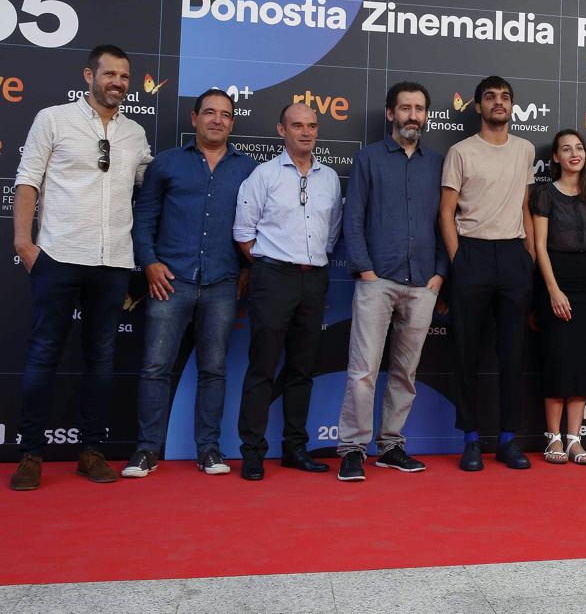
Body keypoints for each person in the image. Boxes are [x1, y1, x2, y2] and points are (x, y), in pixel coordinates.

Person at [9, 44, 153, 491]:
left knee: (102, 360)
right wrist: (24, 244)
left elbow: (149, 193)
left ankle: (91, 450)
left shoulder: (135, 134)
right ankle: (30, 453)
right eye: (109, 74)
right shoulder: (53, 119)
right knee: (43, 354)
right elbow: (27, 181)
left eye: (124, 76)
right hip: (58, 256)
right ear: (89, 75)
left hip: (113, 263)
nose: (118, 83)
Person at [120, 89, 256, 479]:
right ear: (194, 117)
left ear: (232, 121)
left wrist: (248, 272)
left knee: (214, 370)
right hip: (170, 281)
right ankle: (146, 450)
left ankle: (209, 450)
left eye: (225, 114)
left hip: (223, 283)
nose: (217, 119)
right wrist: (149, 263)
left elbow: (258, 228)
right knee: (155, 368)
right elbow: (143, 220)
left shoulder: (248, 169)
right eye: (209, 112)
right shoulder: (165, 164)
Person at [336, 82, 446, 482]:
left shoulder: (437, 163)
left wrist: (438, 274)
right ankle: (351, 449)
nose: (412, 115)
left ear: (426, 116)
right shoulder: (368, 159)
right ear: (390, 114)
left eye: (419, 108)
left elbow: (445, 221)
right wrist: (364, 269)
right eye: (405, 108)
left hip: (422, 283)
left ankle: (391, 446)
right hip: (376, 279)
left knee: (405, 372)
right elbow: (354, 217)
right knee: (363, 370)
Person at [233, 103, 342, 481]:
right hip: (272, 277)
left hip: (314, 280)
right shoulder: (263, 175)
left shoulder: (330, 178)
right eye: (297, 125)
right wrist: (273, 263)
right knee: (262, 367)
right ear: (282, 130)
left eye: (312, 125)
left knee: (302, 370)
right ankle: (252, 452)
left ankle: (295, 448)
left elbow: (332, 233)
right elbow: (244, 234)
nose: (306, 132)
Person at [440, 76, 536, 471]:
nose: (499, 103)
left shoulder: (525, 149)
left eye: (505, 97)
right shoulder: (461, 151)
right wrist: (459, 260)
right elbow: (446, 212)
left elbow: (525, 206)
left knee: (513, 354)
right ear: (478, 106)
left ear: (512, 106)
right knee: (467, 353)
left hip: (514, 254)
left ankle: (509, 440)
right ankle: (471, 439)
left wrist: (529, 254)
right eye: (491, 97)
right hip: (472, 253)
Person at [531, 129, 586, 465]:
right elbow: (538, 246)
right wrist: (552, 290)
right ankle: (553, 438)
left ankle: (575, 439)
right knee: (557, 359)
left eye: (579, 148)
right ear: (555, 157)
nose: (574, 154)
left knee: (581, 362)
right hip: (555, 280)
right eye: (566, 149)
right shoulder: (544, 194)